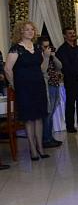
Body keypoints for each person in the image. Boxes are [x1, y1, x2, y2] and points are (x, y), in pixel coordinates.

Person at [4, 21, 50, 160]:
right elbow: (7, 69)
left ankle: (40, 148)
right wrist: (14, 84)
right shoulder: (16, 48)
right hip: (24, 88)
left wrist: (46, 57)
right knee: (29, 119)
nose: (30, 32)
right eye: (27, 29)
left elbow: (42, 69)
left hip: (39, 85)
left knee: (39, 117)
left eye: (32, 29)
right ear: (21, 32)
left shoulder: (37, 47)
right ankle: (33, 150)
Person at [56, 26, 78, 132]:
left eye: (73, 32)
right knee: (70, 103)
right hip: (71, 79)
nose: (73, 35)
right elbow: (66, 66)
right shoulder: (62, 50)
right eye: (70, 33)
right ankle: (70, 126)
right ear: (64, 36)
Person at [39, 37, 63, 149]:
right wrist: (46, 57)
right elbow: (42, 70)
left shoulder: (50, 56)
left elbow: (60, 66)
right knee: (48, 113)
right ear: (40, 47)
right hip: (47, 86)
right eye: (45, 46)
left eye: (49, 46)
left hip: (55, 84)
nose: (47, 48)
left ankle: (50, 137)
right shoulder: (39, 56)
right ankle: (46, 139)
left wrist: (53, 56)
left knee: (52, 112)